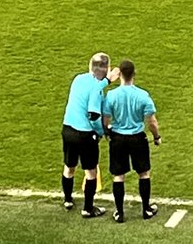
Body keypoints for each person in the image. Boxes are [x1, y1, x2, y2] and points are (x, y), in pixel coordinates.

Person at [61, 53, 120, 219]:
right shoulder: (97, 90)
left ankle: (67, 200)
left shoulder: (78, 79)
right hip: (85, 135)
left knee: (69, 166)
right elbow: (93, 115)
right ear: (106, 70)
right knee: (90, 172)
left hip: (68, 129)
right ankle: (88, 208)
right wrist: (102, 132)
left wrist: (105, 81)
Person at [103, 59, 161, 223]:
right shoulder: (143, 95)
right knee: (143, 173)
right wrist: (156, 137)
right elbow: (151, 122)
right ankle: (146, 209)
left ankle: (120, 212)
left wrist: (108, 133)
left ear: (119, 74)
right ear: (134, 74)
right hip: (137, 138)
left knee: (118, 175)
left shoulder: (111, 95)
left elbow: (105, 119)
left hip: (118, 138)